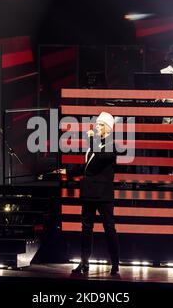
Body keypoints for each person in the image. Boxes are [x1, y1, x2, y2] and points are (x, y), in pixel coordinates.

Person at [66, 112, 120, 276]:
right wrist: (69, 172)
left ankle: (115, 263)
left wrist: (91, 139)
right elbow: (88, 167)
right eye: (97, 124)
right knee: (86, 229)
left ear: (108, 129)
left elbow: (98, 161)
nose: (96, 127)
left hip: (103, 194)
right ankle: (84, 262)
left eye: (100, 125)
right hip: (89, 192)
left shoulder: (112, 145)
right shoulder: (93, 145)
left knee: (109, 228)